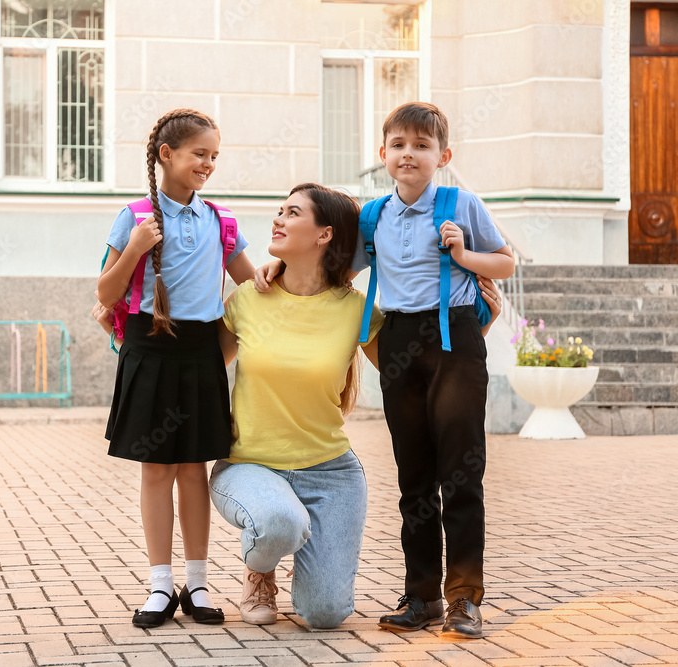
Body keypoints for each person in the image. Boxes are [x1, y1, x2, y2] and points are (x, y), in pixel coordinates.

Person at [221, 183, 503, 631]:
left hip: (329, 472)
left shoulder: (357, 309)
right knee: (277, 522)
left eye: (292, 213)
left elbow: (408, 373)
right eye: (280, 210)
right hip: (250, 464)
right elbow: (203, 376)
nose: (277, 219)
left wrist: (474, 335)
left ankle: (302, 546)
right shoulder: (247, 298)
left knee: (325, 615)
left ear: (324, 235)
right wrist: (127, 339)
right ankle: (262, 567)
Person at [351, 102, 515, 640]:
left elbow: (505, 262)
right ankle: (420, 595)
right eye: (398, 144)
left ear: (442, 156)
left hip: (454, 339)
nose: (408, 154)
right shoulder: (372, 215)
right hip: (399, 340)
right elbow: (337, 267)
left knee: (461, 474)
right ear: (383, 154)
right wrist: (276, 266)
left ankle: (464, 599)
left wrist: (465, 256)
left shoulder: (459, 202)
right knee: (413, 476)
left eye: (421, 146)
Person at [94, 108, 256, 628]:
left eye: (214, 156)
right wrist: (136, 248)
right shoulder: (135, 215)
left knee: (194, 469)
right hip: (151, 348)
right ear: (167, 155)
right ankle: (160, 585)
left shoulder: (221, 221)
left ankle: (199, 582)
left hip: (200, 351)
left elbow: (253, 288)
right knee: (158, 470)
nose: (208, 164)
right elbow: (105, 292)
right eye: (198, 154)